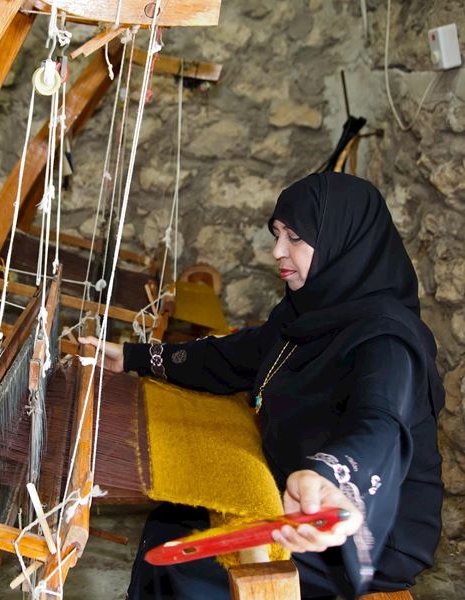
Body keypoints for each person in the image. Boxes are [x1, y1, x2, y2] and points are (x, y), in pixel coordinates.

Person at [81, 172, 444, 599]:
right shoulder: (307, 311)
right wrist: (134, 358)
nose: (278, 251)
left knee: (192, 568)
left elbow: (380, 421)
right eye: (277, 235)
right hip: (295, 486)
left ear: (342, 241)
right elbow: (237, 355)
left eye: (294, 238)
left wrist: (330, 478)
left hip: (355, 521)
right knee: (172, 522)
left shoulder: (386, 340)